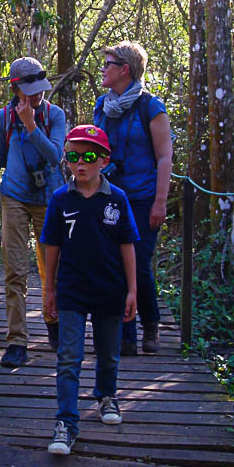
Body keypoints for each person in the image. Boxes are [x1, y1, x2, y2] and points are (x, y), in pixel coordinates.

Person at [41, 125, 138, 456]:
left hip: (109, 287)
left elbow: (127, 245)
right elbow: (51, 245)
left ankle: (107, 395)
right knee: (69, 356)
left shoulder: (118, 199)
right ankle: (66, 422)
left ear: (105, 161)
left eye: (89, 156)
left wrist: (132, 290)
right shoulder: (59, 199)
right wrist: (48, 289)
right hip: (71, 289)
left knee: (109, 352)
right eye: (72, 156)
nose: (80, 163)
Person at [0, 57, 67, 368]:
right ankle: (16, 341)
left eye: (40, 90)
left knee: (51, 269)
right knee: (14, 270)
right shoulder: (3, 118)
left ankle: (54, 323)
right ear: (16, 89)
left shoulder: (55, 115)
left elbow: (55, 156)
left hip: (49, 199)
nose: (37, 96)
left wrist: (31, 125)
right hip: (13, 196)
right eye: (30, 91)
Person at [93, 41, 172, 356]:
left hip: (142, 199)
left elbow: (165, 157)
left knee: (137, 264)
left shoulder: (150, 107)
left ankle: (150, 323)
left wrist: (160, 202)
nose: (103, 68)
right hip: (108, 196)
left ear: (124, 69)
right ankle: (125, 336)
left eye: (108, 63)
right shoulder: (103, 105)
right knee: (113, 264)